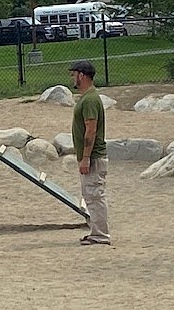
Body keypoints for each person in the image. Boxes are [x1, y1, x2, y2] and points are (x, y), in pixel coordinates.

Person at [68, 60, 111, 246]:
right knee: (91, 196)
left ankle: (101, 235)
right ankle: (96, 232)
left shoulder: (90, 99)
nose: (72, 78)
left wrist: (85, 157)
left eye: (73, 74)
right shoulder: (88, 98)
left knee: (95, 196)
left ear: (81, 75)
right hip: (90, 157)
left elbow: (90, 130)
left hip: (93, 157)